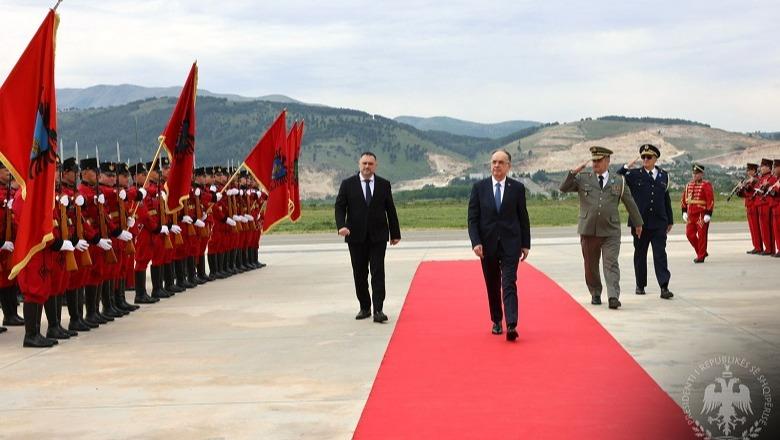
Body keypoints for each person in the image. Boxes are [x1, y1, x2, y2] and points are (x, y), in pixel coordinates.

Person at [560, 146, 643, 310]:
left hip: (610, 230)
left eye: (598, 160)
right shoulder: (583, 178)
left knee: (610, 263)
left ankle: (613, 296)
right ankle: (595, 292)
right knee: (590, 265)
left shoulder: (618, 180)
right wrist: (573, 172)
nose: (595, 163)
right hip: (588, 229)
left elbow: (630, 202)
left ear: (607, 161)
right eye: (593, 160)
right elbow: (563, 188)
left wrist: (638, 222)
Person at [467, 149, 530, 341]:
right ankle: (497, 320)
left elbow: (523, 217)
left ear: (508, 166)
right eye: (494, 162)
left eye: (501, 162)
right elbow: (472, 219)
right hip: (487, 245)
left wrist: (525, 244)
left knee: (509, 282)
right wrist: (476, 242)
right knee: (492, 284)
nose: (496, 166)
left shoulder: (517, 188)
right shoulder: (480, 188)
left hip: (511, 244)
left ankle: (511, 323)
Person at [335, 152, 401, 323]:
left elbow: (390, 210)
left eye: (370, 164)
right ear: (359, 164)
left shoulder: (384, 184)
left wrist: (395, 233)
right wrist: (341, 225)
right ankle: (365, 307)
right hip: (355, 236)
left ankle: (378, 309)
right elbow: (340, 207)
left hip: (378, 236)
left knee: (378, 272)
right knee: (360, 273)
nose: (367, 166)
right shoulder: (347, 184)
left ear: (375, 165)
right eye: (364, 163)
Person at [617, 144, 674, 299]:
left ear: (655, 158)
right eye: (643, 157)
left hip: (659, 223)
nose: (645, 160)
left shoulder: (664, 176)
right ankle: (640, 285)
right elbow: (616, 177)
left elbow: (666, 199)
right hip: (640, 224)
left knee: (660, 254)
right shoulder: (634, 174)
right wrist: (626, 166)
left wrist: (670, 220)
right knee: (640, 254)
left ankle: (664, 286)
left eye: (648, 157)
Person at [681, 163, 715, 263]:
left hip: (701, 215)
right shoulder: (688, 185)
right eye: (693, 173)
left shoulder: (706, 185)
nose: (694, 175)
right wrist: (683, 212)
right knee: (689, 234)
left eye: (697, 173)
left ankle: (701, 256)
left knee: (702, 236)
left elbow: (710, 200)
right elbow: (683, 200)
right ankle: (702, 251)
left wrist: (708, 213)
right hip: (691, 215)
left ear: (701, 174)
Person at [736, 163, 762, 254]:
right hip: (749, 205)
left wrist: (744, 186)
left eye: (749, 170)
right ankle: (756, 246)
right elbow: (745, 194)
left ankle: (759, 247)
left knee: (756, 227)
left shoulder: (756, 179)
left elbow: (751, 190)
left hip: (754, 205)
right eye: (747, 170)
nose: (747, 172)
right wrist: (740, 190)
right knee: (752, 228)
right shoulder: (749, 180)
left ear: (754, 170)